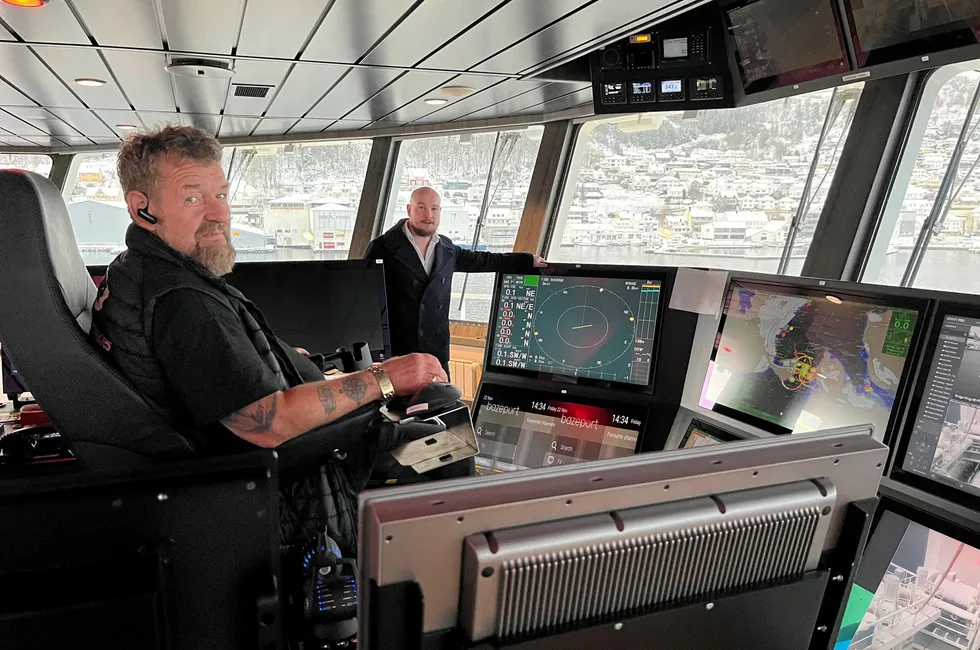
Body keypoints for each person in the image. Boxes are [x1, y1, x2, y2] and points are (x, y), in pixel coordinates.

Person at [364, 187, 546, 375]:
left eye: (434, 209)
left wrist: (527, 260)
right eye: (421, 207)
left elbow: (483, 261)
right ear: (409, 209)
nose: (429, 215)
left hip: (436, 355)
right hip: (398, 357)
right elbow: (364, 302)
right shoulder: (383, 247)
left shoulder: (446, 248)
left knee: (443, 403)